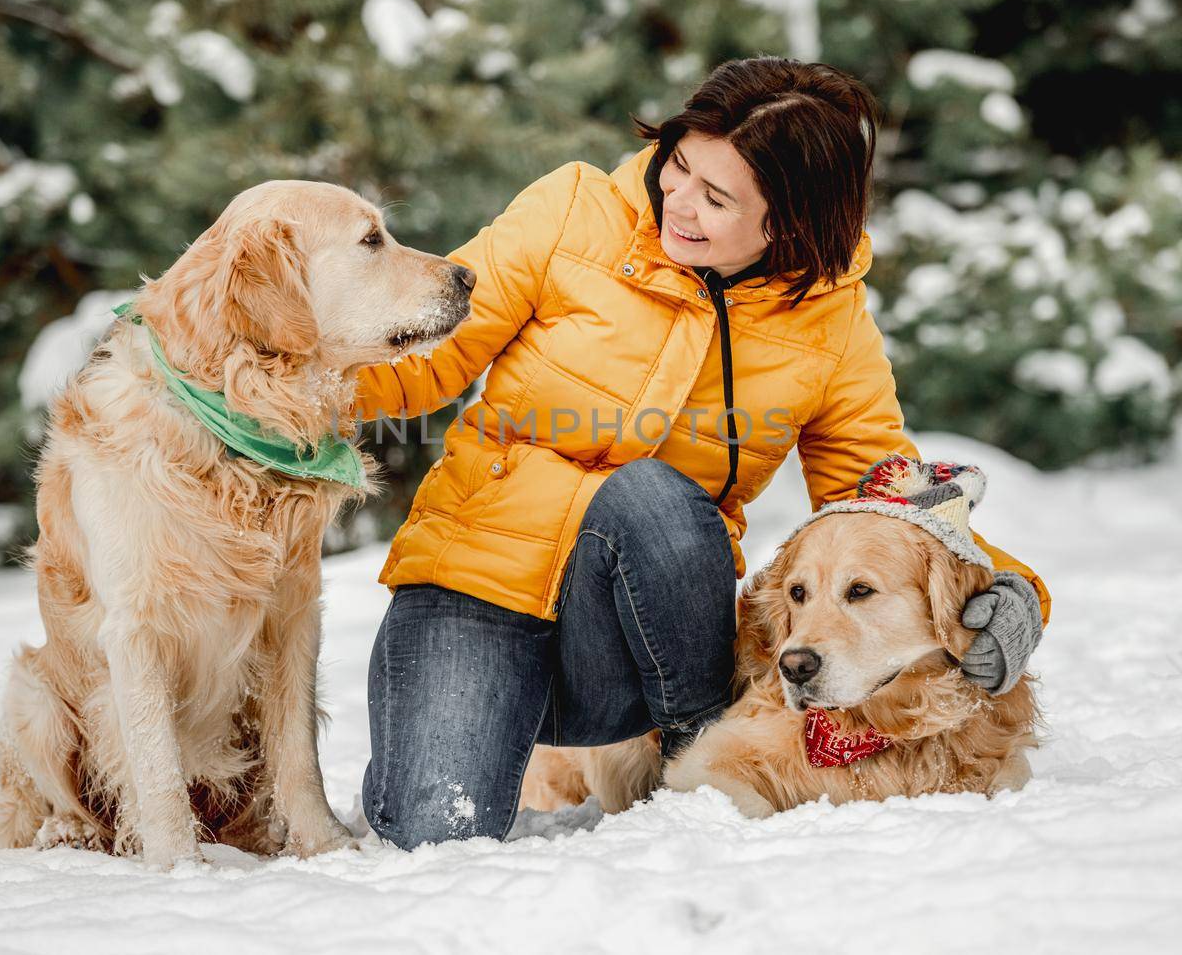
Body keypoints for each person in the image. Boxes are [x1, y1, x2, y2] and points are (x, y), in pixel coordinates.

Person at [350, 56, 1051, 850]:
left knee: (651, 493)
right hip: (476, 583)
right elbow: (428, 357)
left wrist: (1005, 588)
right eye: (677, 165)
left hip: (650, 629)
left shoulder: (825, 318)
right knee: (430, 832)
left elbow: (881, 495)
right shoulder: (574, 209)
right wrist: (285, 375)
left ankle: (696, 761)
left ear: (785, 221)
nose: (676, 201)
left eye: (717, 198)